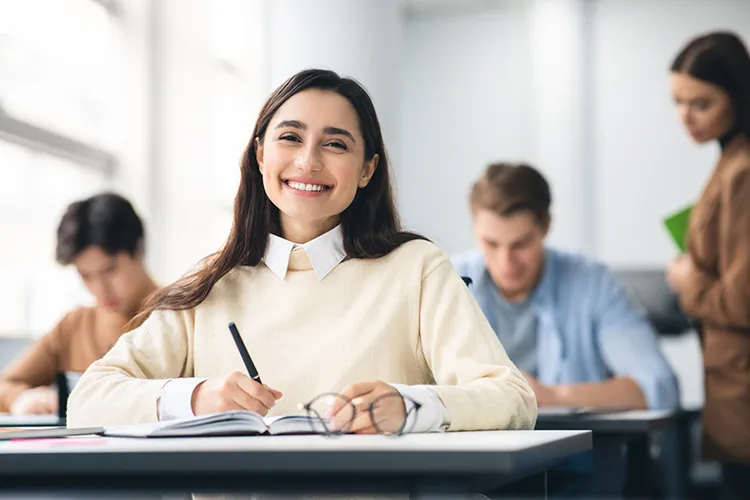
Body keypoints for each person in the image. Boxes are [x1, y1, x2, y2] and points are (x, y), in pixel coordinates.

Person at [67, 69, 536, 434]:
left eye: (335, 144)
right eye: (290, 137)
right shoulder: (214, 281)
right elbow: (88, 400)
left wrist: (411, 407)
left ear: (368, 169)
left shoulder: (417, 269)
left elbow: (512, 397)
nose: (308, 161)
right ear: (260, 155)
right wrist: (195, 398)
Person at [452, 163, 679, 411]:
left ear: (546, 226)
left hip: (573, 448)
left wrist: (550, 396)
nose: (506, 262)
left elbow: (659, 386)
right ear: (475, 228)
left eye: (521, 244)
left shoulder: (592, 283)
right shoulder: (447, 280)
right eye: (491, 243)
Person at [666, 31, 750, 499]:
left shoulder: (743, 170)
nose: (686, 117)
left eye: (701, 103)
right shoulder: (729, 159)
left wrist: (686, 278)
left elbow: (741, 299)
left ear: (737, 97)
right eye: (678, 102)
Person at [0, 193, 158, 415]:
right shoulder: (75, 325)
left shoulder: (183, 316)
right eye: (85, 275)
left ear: (139, 249)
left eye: (110, 270)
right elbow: (6, 385)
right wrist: (22, 398)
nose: (100, 288)